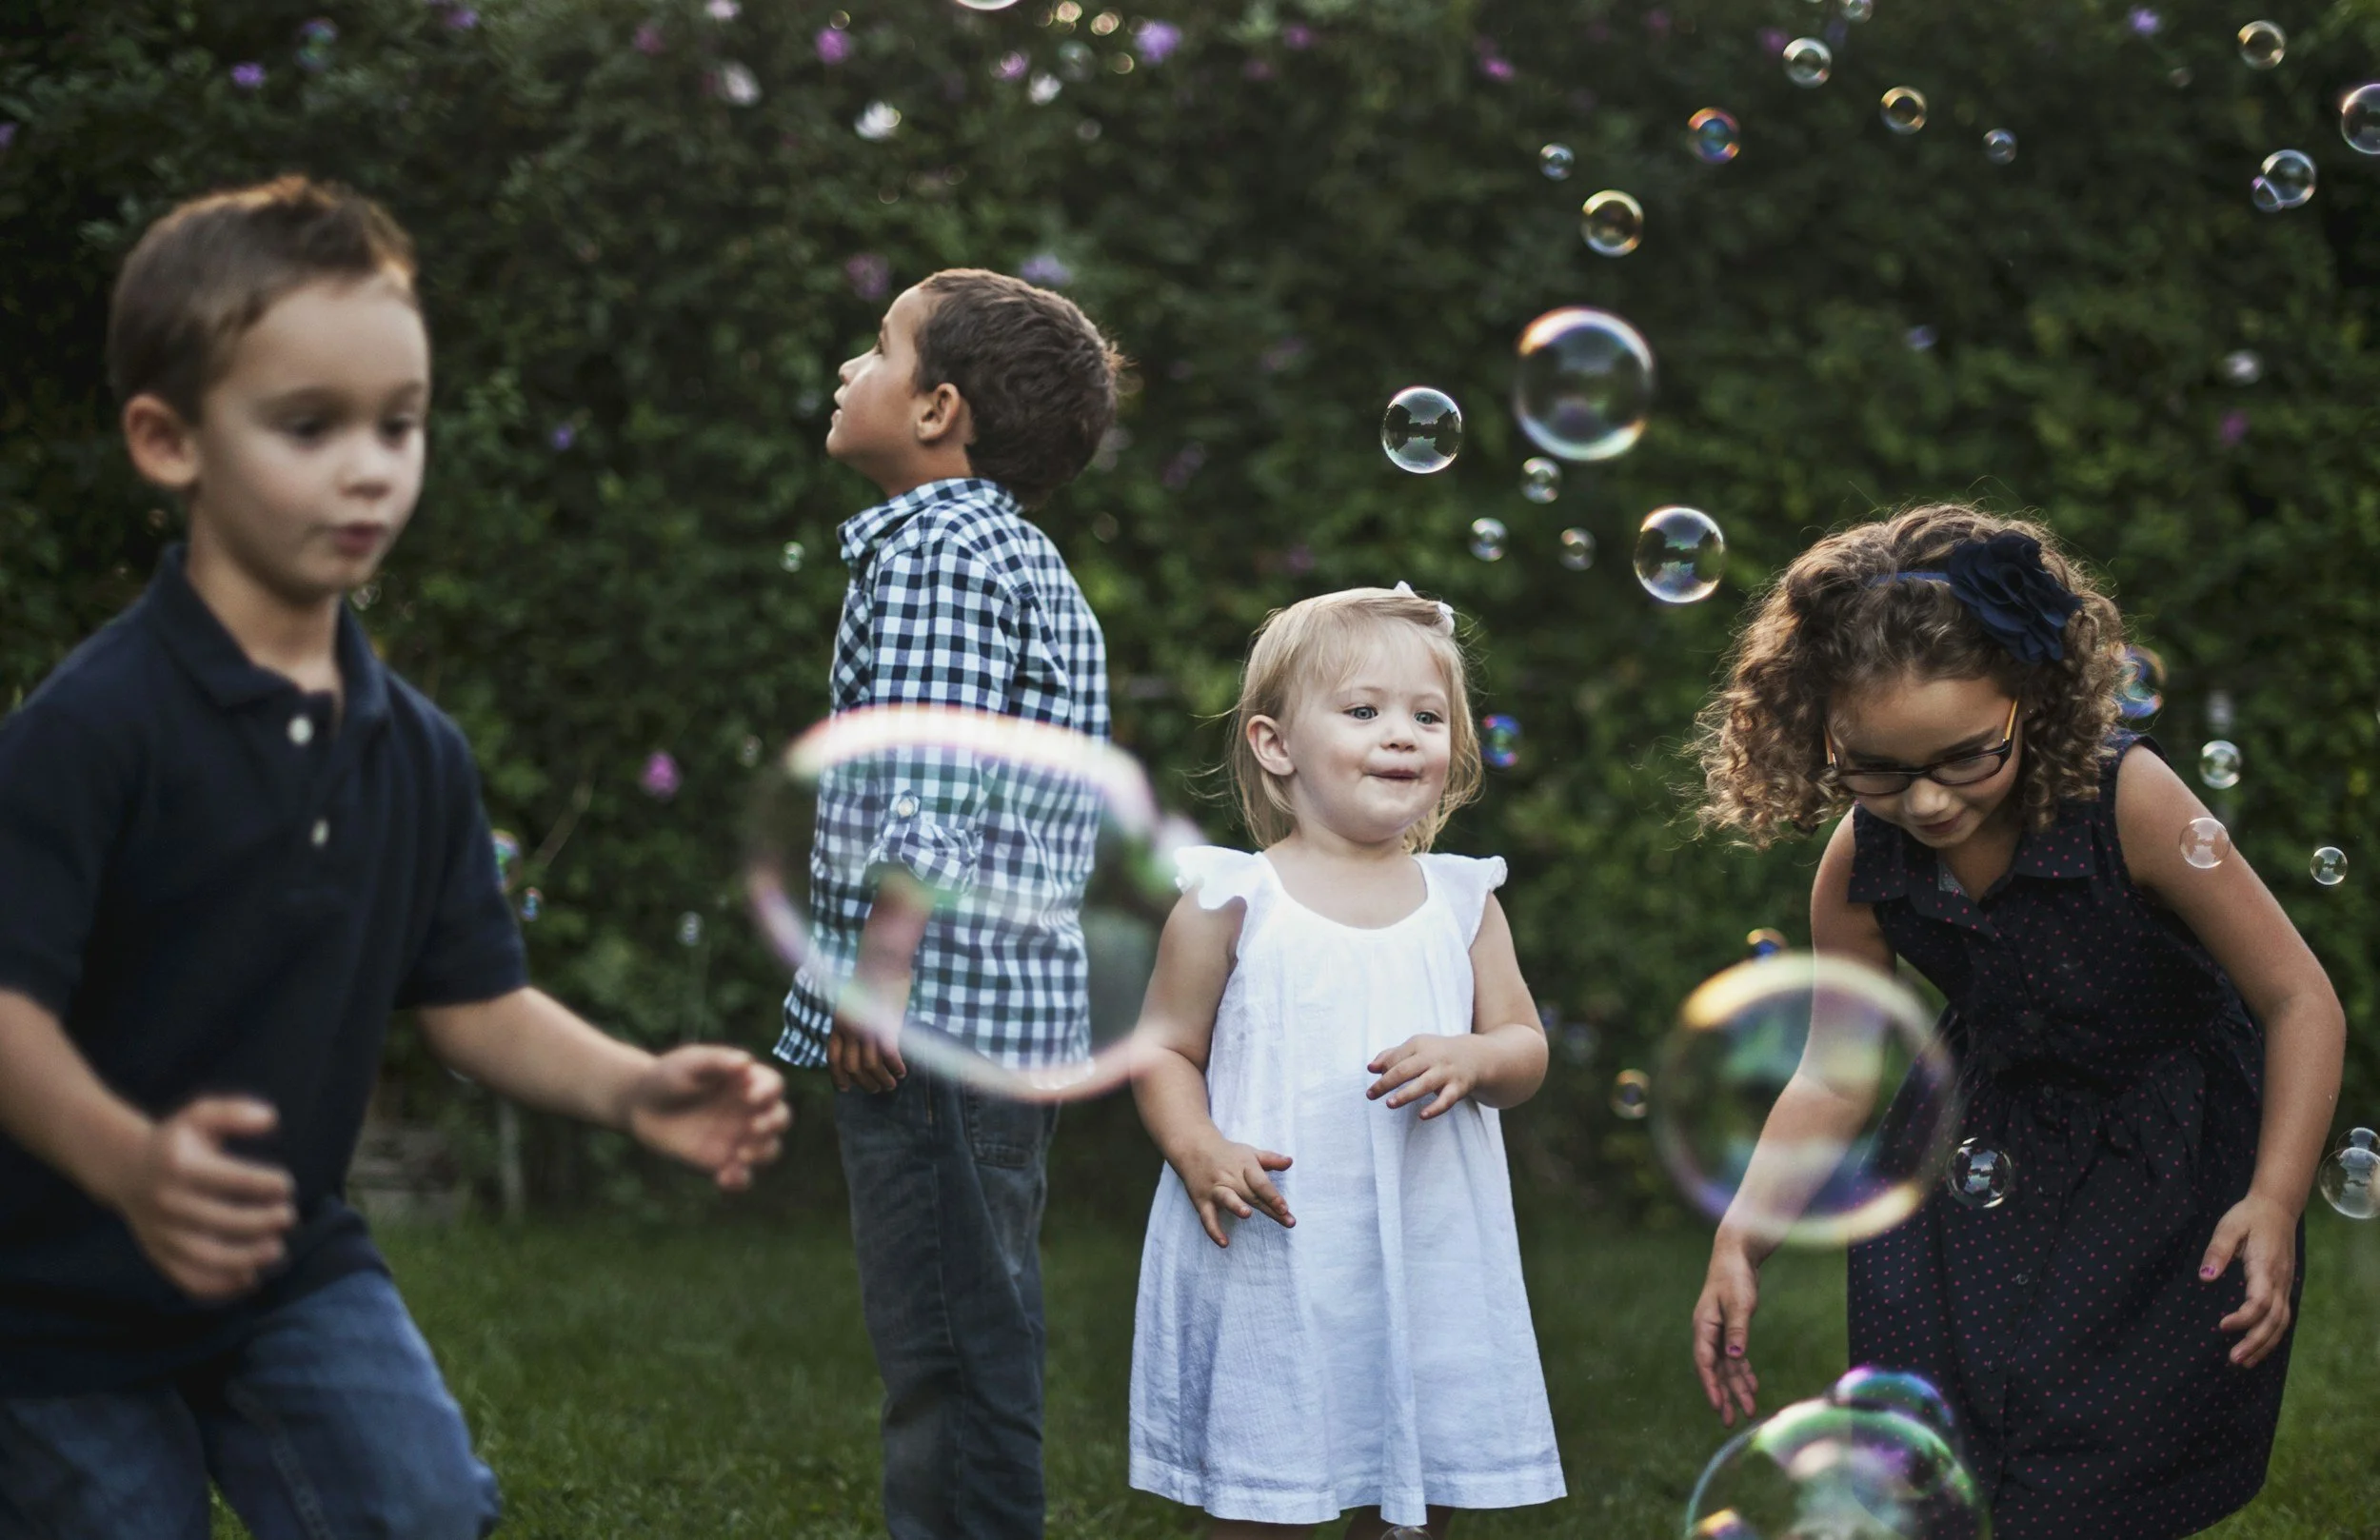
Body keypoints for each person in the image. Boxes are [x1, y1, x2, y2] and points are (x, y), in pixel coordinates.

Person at [0, 176, 791, 1540]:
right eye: (309, 426)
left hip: (283, 1261)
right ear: (168, 438)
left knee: (419, 1506)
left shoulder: (414, 750)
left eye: (399, 424)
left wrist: (633, 1087)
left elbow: (473, 1000)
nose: (370, 465)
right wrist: (132, 1161)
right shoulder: (93, 728)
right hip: (55, 1288)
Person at [1685, 503, 2346, 1538]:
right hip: (1978, 1147)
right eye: (1878, 768)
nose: (1928, 802)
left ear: (2030, 701)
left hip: (2161, 1145)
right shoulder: (1861, 863)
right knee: (1949, 1439)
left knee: (2102, 1448)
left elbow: (2296, 996)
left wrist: (2272, 1196)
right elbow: (1832, 1072)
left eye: (1963, 756)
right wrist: (1743, 1234)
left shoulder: (2127, 800)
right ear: (1822, 733)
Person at [776, 269, 1122, 1538]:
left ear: (936, 410)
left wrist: (880, 966)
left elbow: (928, 776)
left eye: (874, 351)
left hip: (934, 1017)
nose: (844, 372)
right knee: (982, 1319)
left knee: (948, 1349)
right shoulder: (1018, 556)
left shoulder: (936, 550)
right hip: (997, 1017)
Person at [1126, 585, 1567, 1540]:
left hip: (1425, 1238)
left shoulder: (1461, 900)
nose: (1400, 734)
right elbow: (1163, 1045)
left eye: (1425, 715)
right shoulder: (1231, 898)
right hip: (1277, 1244)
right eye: (1362, 711)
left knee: (1417, 1476)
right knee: (1262, 1486)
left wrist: (1475, 1055)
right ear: (1275, 744)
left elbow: (1524, 1047)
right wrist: (1196, 1143)